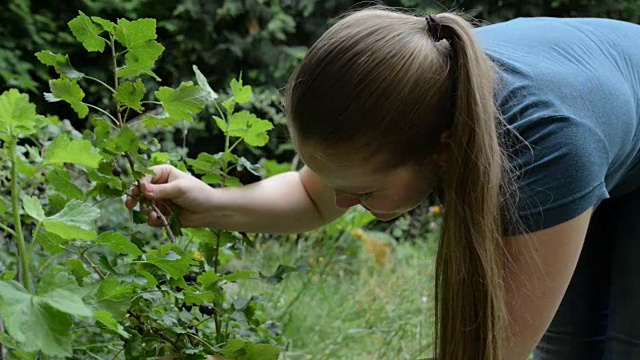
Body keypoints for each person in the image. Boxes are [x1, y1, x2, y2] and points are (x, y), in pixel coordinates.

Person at [126, 7, 640, 360]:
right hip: (603, 116)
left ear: (441, 148)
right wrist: (209, 203)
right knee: (571, 342)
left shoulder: (543, 147)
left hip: (592, 124)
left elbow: (494, 349)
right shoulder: (406, 100)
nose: (345, 202)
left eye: (364, 193)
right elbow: (310, 195)